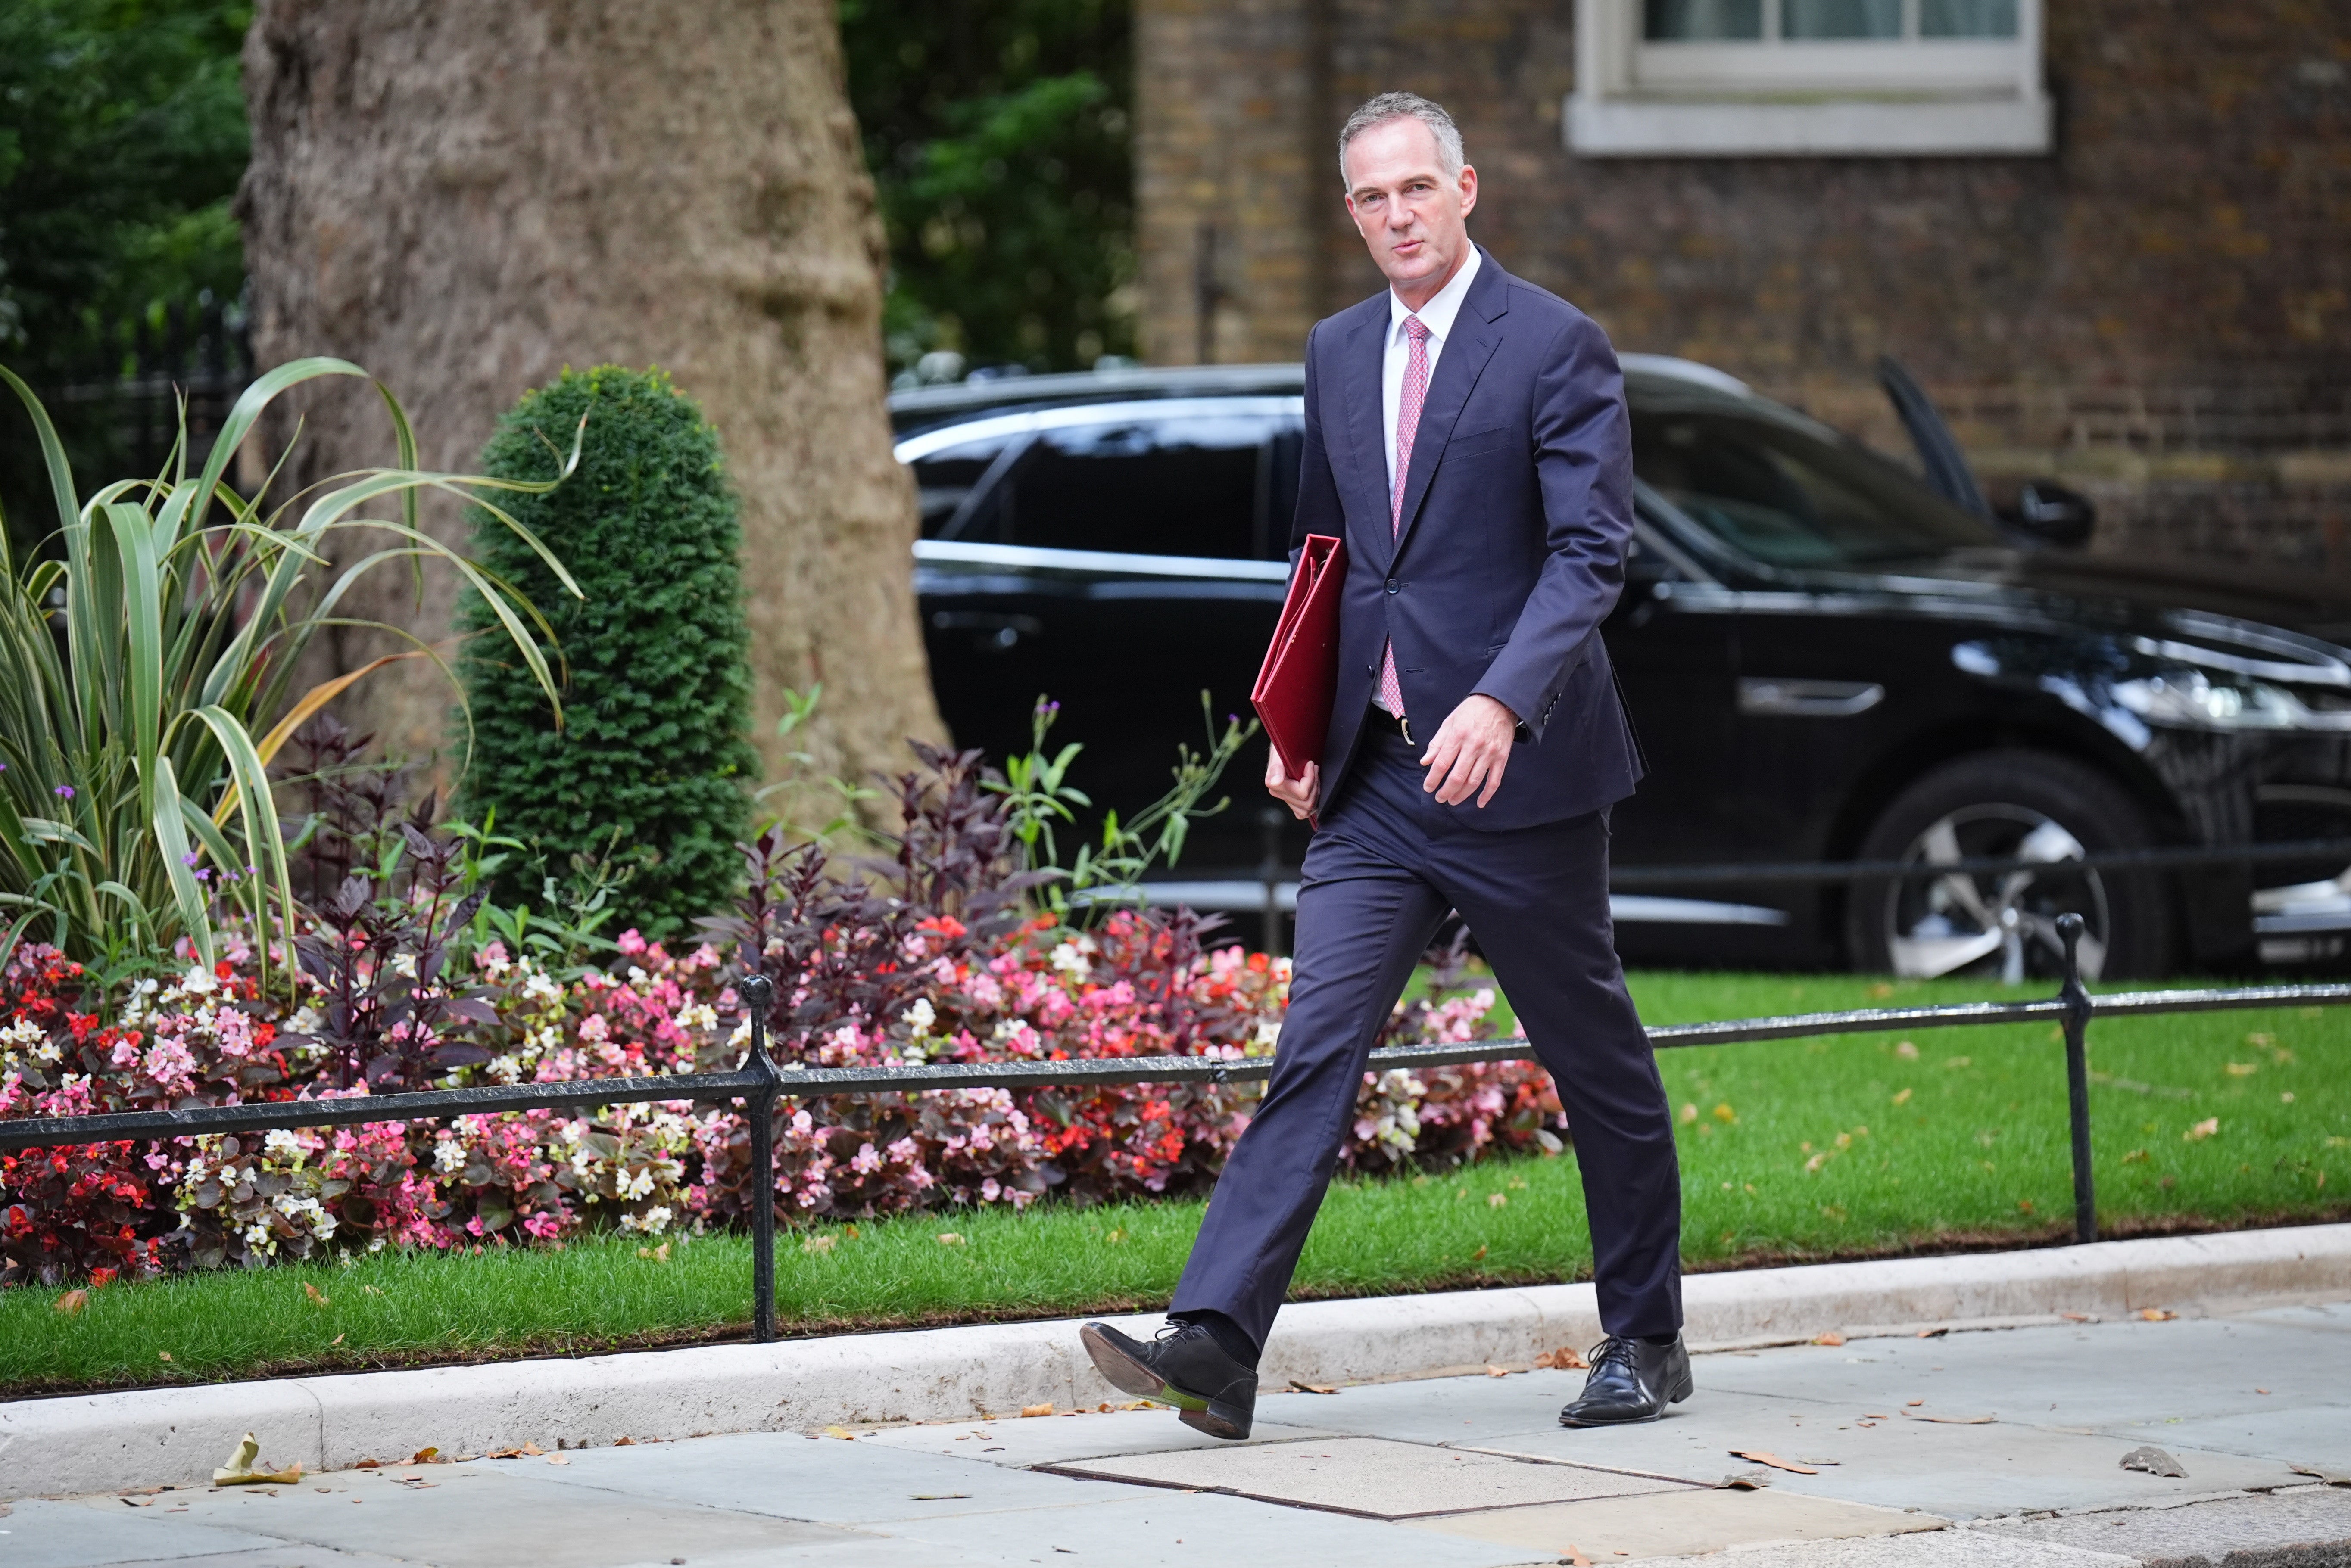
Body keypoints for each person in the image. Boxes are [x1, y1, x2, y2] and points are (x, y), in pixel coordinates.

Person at [1080, 90, 1688, 1440]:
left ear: (1468, 190)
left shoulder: (1555, 345)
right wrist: (1301, 732)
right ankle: (1219, 1342)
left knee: (1593, 1060)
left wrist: (1503, 704)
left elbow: (1592, 553)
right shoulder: (1338, 349)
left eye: (1418, 188)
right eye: (1371, 197)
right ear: (1350, 211)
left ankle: (1645, 1337)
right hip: (1375, 785)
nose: (1398, 215)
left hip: (1519, 780)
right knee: (1316, 1046)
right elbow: (1330, 560)